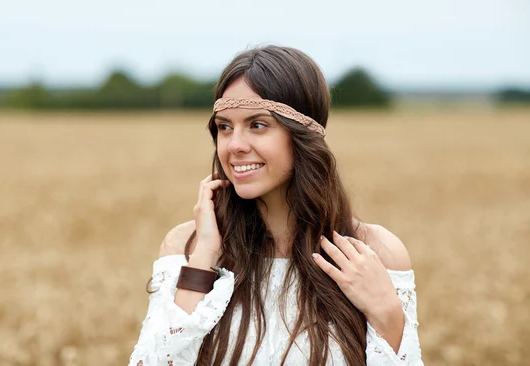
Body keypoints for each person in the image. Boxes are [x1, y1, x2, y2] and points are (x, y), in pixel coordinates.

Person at [128, 45, 423, 365]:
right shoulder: (185, 247)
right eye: (225, 127)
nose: (235, 146)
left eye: (257, 125)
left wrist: (387, 314)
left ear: (303, 135)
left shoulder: (373, 253)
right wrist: (203, 260)